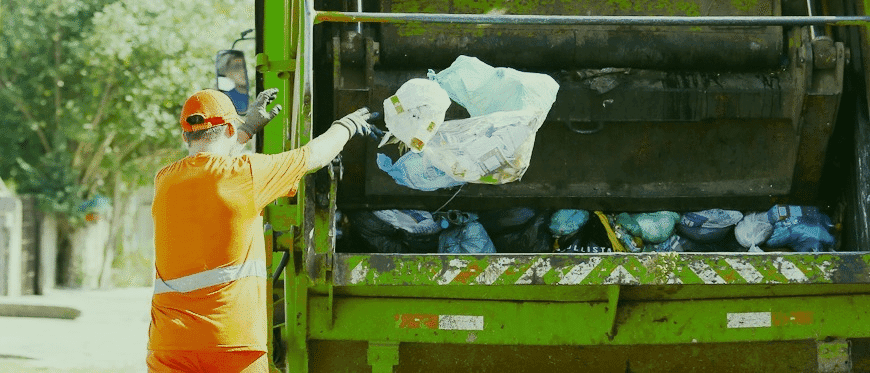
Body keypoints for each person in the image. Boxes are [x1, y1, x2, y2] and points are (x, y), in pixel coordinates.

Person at [146, 88, 372, 372]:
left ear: (185, 136)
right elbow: (314, 155)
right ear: (229, 128)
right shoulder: (249, 174)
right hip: (233, 343)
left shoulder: (164, 180)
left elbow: (210, 166)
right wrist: (347, 125)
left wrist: (245, 131)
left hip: (170, 344)